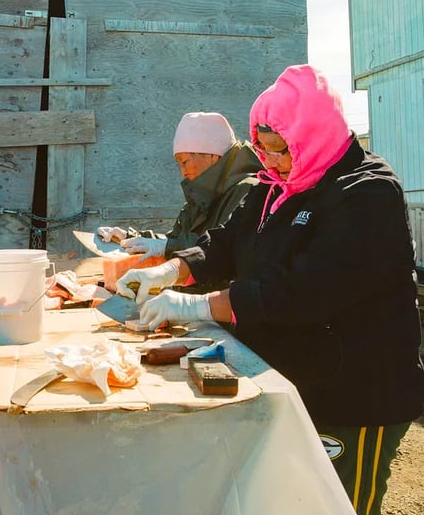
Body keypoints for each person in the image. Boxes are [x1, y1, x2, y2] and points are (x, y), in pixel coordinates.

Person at [116, 64, 424, 515]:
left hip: (357, 392)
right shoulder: (277, 185)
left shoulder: (366, 192)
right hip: (299, 378)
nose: (273, 162)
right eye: (264, 152)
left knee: (338, 504)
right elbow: (224, 240)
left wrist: (197, 306)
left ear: (313, 135)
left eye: (282, 151)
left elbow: (303, 291)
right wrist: (174, 269)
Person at [98, 111, 262, 261]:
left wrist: (167, 248)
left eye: (184, 162)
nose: (183, 172)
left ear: (212, 156)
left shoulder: (249, 190)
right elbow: (176, 240)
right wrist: (132, 238)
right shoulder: (203, 193)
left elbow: (220, 250)